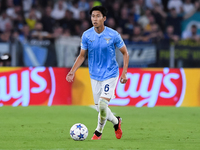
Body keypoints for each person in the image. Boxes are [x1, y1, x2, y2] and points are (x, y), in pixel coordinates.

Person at [66, 6, 129, 140]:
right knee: (101, 108)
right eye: (93, 16)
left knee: (102, 104)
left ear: (104, 18)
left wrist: (124, 73)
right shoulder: (87, 35)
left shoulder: (113, 35)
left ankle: (98, 133)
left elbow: (125, 53)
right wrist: (72, 71)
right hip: (94, 75)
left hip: (111, 74)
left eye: (98, 16)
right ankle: (117, 122)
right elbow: (82, 55)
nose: (95, 19)